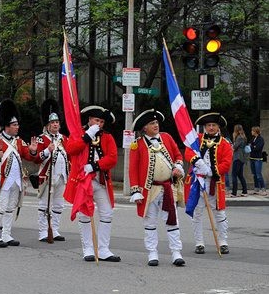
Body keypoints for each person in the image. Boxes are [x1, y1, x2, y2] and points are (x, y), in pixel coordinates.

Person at [129, 109, 185, 267]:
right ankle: (152, 253)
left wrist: (178, 167)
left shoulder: (166, 137)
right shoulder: (137, 144)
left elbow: (178, 156)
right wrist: (135, 190)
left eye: (156, 122)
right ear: (144, 128)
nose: (155, 125)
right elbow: (133, 168)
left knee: (172, 221)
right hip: (149, 190)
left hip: (167, 187)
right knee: (150, 223)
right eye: (151, 123)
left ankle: (176, 252)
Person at [65, 105, 120, 262]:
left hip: (100, 181)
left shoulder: (107, 137)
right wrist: (86, 137)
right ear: (89, 120)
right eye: (96, 120)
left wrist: (95, 166)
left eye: (102, 122)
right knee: (84, 213)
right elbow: (71, 149)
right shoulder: (79, 134)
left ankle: (103, 249)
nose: (99, 124)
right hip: (83, 181)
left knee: (107, 213)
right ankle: (88, 248)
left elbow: (112, 158)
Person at [0, 99, 38, 247]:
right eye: (14, 125)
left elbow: (27, 155)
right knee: (0, 208)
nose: (17, 127)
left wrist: (33, 150)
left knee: (10, 208)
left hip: (17, 180)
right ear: (7, 126)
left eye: (17, 124)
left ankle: (6, 234)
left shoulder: (18, 141)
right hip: (3, 180)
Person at [185, 112, 233, 255]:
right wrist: (197, 161)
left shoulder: (224, 143)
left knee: (219, 213)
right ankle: (199, 243)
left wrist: (211, 171)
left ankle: (223, 242)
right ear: (205, 127)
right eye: (208, 125)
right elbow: (188, 152)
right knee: (197, 213)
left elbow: (226, 163)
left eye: (214, 125)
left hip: (215, 183)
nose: (211, 128)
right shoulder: (197, 140)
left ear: (218, 127)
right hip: (198, 182)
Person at [34, 99, 69, 242]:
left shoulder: (64, 139)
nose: (55, 124)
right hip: (47, 176)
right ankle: (43, 231)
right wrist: (47, 151)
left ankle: (54, 229)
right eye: (52, 123)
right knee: (44, 205)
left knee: (59, 204)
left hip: (62, 176)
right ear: (48, 125)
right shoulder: (42, 139)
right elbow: (37, 158)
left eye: (57, 122)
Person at [230, 124, 248, 197]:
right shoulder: (243, 137)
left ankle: (234, 193)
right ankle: (244, 191)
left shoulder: (239, 138)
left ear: (236, 130)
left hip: (238, 158)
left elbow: (235, 147)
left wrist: (231, 145)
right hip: (241, 158)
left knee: (234, 175)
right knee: (240, 175)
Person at [249, 126, 266, 195]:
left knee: (258, 174)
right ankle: (256, 188)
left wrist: (252, 146)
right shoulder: (253, 138)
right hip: (252, 158)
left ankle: (263, 189)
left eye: (252, 131)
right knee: (254, 174)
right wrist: (253, 146)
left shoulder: (260, 139)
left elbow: (257, 148)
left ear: (256, 132)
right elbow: (251, 146)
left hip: (258, 159)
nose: (251, 132)